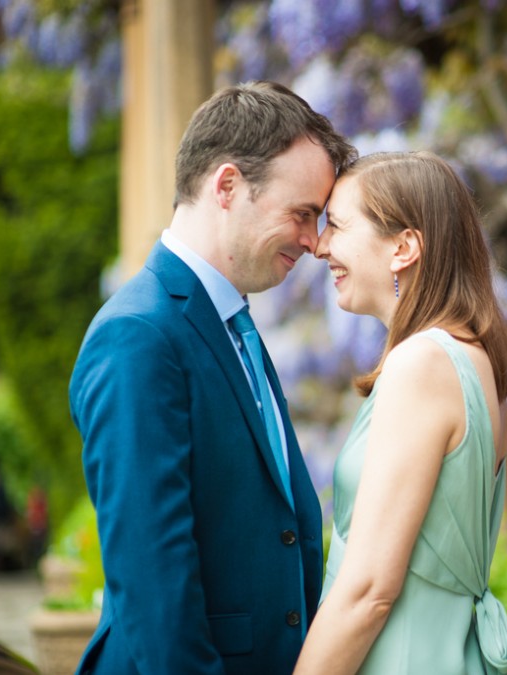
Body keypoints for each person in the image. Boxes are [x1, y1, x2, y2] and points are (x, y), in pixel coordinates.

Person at [69, 81, 355, 674]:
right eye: (302, 213)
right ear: (227, 186)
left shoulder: (232, 323)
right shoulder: (138, 335)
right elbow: (153, 583)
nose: (313, 240)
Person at [294, 151, 507, 674]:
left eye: (338, 225)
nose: (320, 245)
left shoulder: (423, 364)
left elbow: (369, 590)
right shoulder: (475, 358)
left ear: (404, 247)